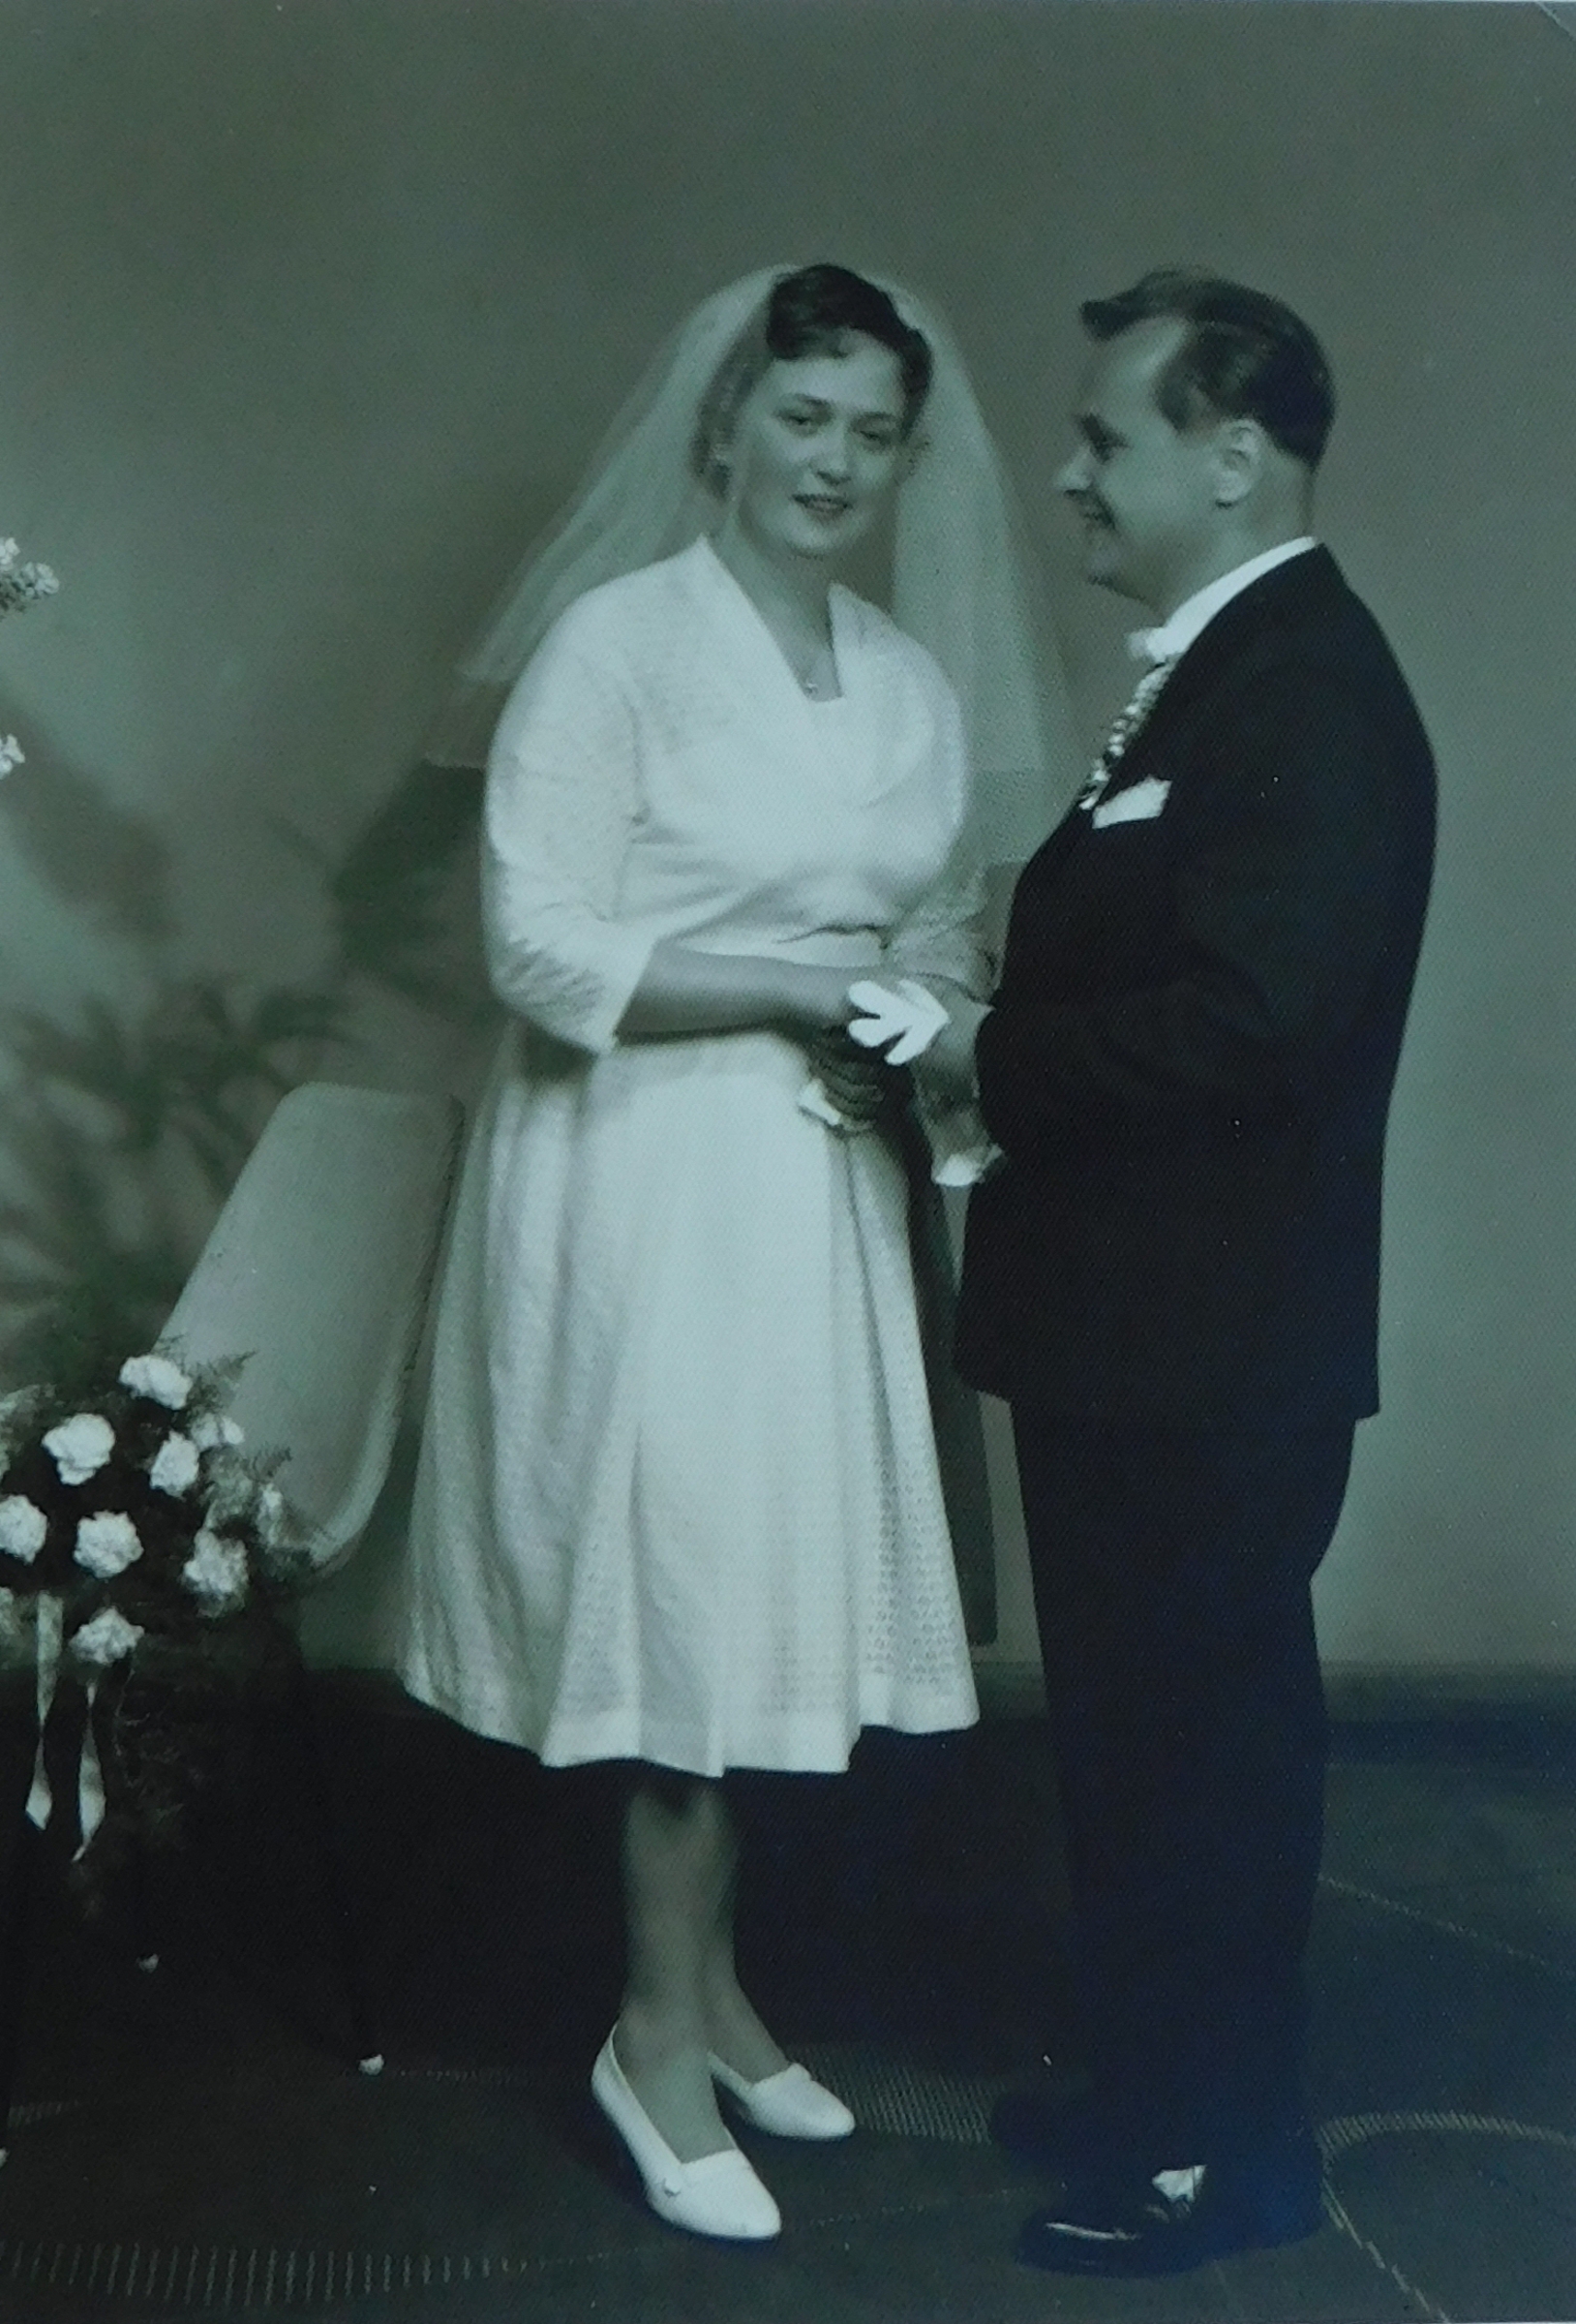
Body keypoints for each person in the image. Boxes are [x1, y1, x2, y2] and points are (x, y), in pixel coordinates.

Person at [397, 262, 1070, 2243]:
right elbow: (540, 950)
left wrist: (912, 1012)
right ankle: (650, 2041)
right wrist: (794, 988)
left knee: (767, 1602)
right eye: (802, 417)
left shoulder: (908, 681)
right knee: (682, 1607)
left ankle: (712, 1994)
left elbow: (935, 921)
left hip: (820, 1183)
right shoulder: (615, 648)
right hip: (642, 1181)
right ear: (723, 424)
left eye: (873, 433)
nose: (834, 463)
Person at [928, 269, 1437, 2274]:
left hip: (1210, 1351)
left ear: (1231, 459)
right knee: (1144, 1746)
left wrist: (982, 1051)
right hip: (1144, 1338)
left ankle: (1226, 2158)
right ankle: (1160, 2097)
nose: (1067, 475)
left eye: (1102, 438)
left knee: (1202, 1758)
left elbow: (1256, 1027)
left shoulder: (1305, 688)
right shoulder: (1230, 672)